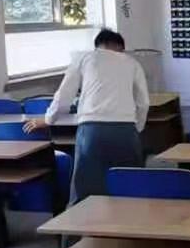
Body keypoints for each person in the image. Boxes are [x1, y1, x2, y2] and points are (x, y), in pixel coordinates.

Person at [24, 29, 150, 206]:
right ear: (120, 47)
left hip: (92, 130)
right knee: (129, 184)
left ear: (97, 46)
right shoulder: (132, 63)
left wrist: (48, 120)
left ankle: (79, 223)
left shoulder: (84, 59)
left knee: (84, 188)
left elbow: (64, 95)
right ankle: (130, 221)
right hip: (125, 130)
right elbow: (143, 102)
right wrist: (137, 128)